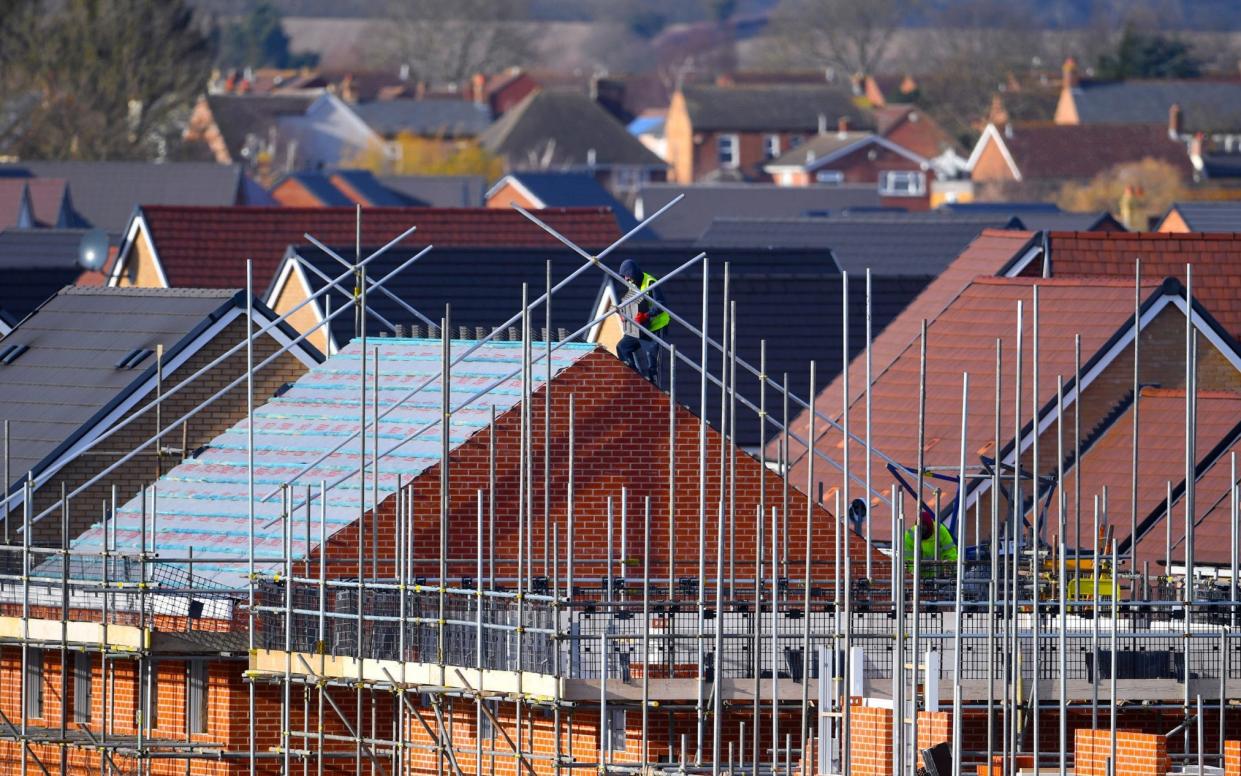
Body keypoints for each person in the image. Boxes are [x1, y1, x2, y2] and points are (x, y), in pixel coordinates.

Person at [615, 258, 670, 383]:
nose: (626, 280)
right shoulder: (633, 285)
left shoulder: (650, 283)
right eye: (624, 277)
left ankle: (654, 388)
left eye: (627, 276)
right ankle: (634, 376)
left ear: (633, 273)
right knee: (623, 348)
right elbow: (630, 303)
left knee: (652, 362)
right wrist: (624, 314)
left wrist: (646, 315)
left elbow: (661, 304)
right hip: (640, 327)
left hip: (655, 327)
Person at [903, 510, 957, 575]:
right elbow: (908, 559)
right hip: (920, 578)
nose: (922, 532)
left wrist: (950, 569)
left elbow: (950, 552)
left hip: (940, 575)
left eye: (923, 530)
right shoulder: (909, 536)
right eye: (920, 529)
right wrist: (915, 574)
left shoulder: (940, 531)